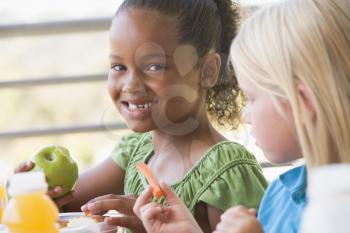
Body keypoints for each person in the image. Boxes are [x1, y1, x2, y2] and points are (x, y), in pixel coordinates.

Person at [15, 0, 268, 232]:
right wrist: (34, 193)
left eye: (154, 66)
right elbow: (64, 208)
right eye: (118, 67)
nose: (130, 85)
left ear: (208, 71)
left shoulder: (227, 174)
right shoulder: (136, 153)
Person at [133, 0, 350, 232]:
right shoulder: (278, 197)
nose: (245, 116)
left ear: (302, 104)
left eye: (251, 98)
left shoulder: (337, 209)